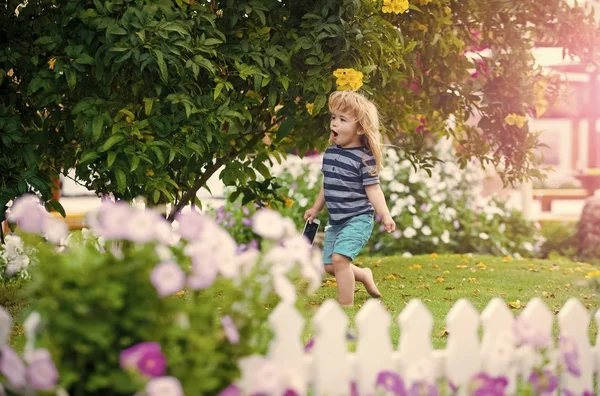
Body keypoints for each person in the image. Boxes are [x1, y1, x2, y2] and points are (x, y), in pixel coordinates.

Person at [304, 90, 396, 306]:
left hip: (358, 219)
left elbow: (373, 190)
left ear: (360, 128)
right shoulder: (331, 153)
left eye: (342, 119)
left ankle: (345, 306)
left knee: (339, 260)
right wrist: (315, 208)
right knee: (330, 266)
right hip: (337, 221)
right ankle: (363, 274)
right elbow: (327, 185)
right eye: (333, 117)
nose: (334, 123)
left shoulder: (364, 158)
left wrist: (385, 214)